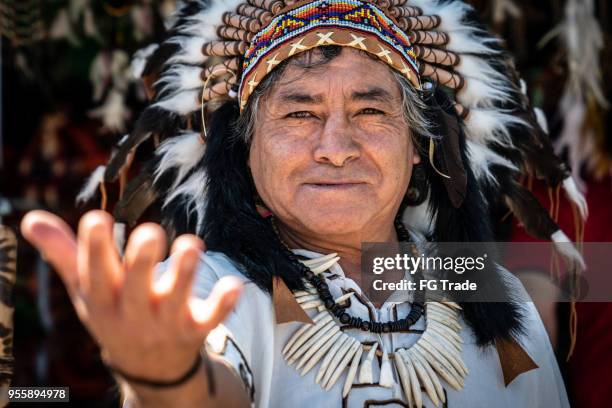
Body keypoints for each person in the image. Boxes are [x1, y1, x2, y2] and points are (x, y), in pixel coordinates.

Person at [21, 0, 579, 406]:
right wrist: (167, 380)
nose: (336, 149)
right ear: (244, 151)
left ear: (416, 146)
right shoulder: (205, 290)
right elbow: (207, 383)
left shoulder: (491, 292)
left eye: (370, 112)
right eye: (298, 114)